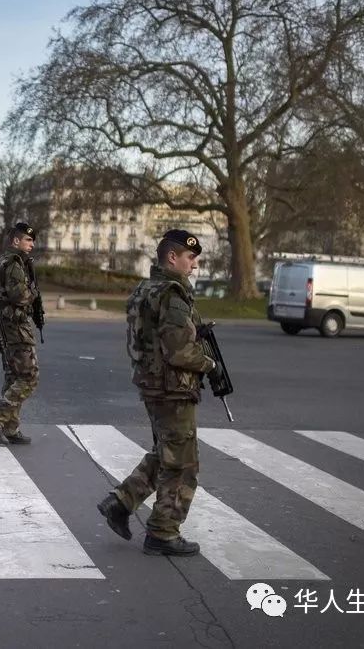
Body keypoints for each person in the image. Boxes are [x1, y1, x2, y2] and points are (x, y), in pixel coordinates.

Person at [97, 229, 221, 556]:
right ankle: (163, 532)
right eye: (190, 258)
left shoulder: (146, 288)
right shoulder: (172, 293)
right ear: (172, 257)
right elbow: (179, 352)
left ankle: (121, 503)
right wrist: (209, 364)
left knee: (167, 452)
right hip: (172, 389)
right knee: (182, 463)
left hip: (153, 385)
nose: (194, 266)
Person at [0, 222, 40, 446]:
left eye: (32, 241)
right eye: (28, 240)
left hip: (5, 327)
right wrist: (34, 292)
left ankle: (10, 427)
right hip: (16, 328)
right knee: (29, 377)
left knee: (14, 377)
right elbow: (21, 297)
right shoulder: (14, 263)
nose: (32, 245)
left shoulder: (2, 262)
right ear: (15, 241)